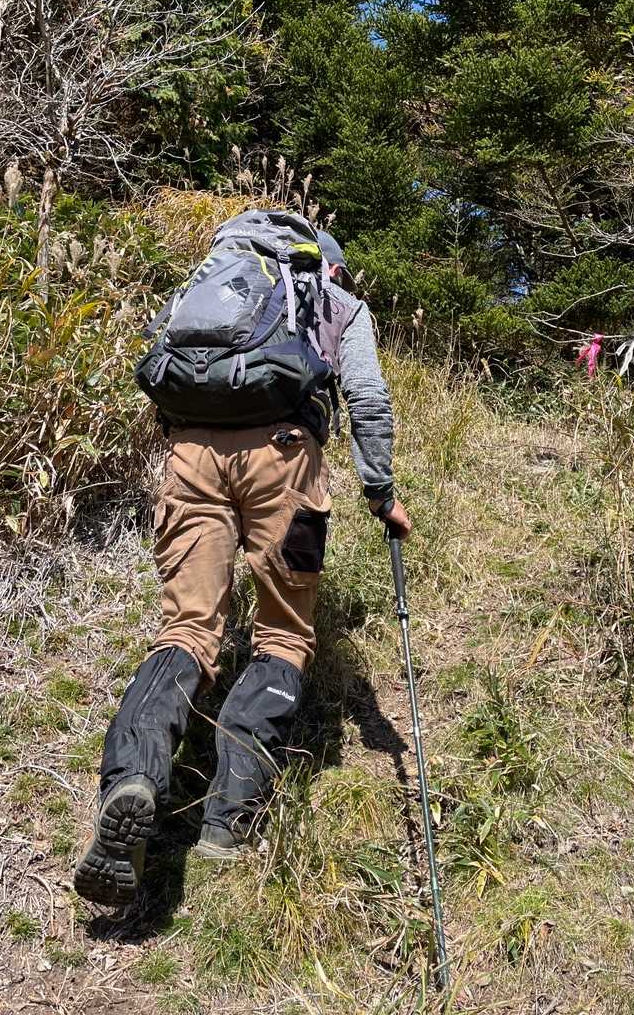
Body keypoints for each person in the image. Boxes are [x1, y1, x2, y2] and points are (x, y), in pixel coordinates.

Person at [74, 224, 411, 907]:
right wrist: (381, 492)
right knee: (284, 634)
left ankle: (133, 778)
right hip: (285, 459)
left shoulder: (212, 280)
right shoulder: (332, 297)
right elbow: (368, 397)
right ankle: (228, 820)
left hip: (189, 454)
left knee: (186, 628)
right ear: (331, 268)